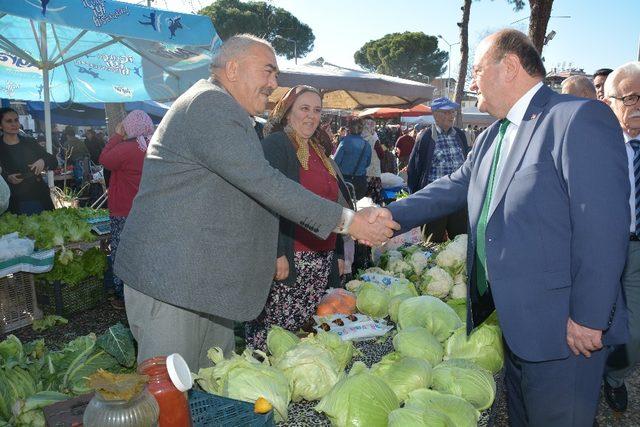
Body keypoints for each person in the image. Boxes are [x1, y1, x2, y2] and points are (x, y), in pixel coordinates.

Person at [381, 29, 629, 426]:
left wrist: (589, 317)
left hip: (564, 332)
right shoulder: (491, 137)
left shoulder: (576, 118)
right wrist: (388, 216)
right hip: (515, 326)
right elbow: (453, 187)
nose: (473, 81)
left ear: (510, 66)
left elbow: (602, 229)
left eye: (478, 70)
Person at [113, 34, 398, 371]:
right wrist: (350, 222)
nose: (273, 83)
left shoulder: (226, 110)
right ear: (233, 69)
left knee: (213, 382)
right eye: (268, 71)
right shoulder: (210, 104)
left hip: (200, 281)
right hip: (171, 281)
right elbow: (264, 183)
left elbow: (244, 196)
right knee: (170, 396)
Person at [245, 85, 352, 349]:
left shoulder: (317, 149)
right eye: (304, 108)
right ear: (286, 112)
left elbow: (331, 204)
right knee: (274, 336)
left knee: (303, 337)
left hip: (319, 261)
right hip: (290, 260)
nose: (311, 116)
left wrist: (337, 253)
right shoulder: (277, 145)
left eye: (317, 110)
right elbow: (267, 201)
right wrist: (276, 251)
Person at [601, 61, 640, 413]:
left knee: (635, 333)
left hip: (637, 250)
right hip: (599, 249)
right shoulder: (594, 144)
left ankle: (613, 375)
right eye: (630, 97)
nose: (639, 105)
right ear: (609, 101)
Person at [99, 110, 153, 310]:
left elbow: (104, 159)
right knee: (145, 251)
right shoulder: (154, 147)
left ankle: (123, 296)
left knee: (122, 253)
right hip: (148, 210)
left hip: (123, 210)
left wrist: (117, 135)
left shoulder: (126, 149)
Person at [407, 97, 469, 243]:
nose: (452, 116)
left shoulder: (460, 135)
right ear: (435, 115)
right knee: (431, 243)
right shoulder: (426, 137)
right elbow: (414, 169)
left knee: (461, 241)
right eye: (446, 112)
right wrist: (416, 198)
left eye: (453, 112)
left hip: (458, 199)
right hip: (434, 200)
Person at [0, 107, 57, 215]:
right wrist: (7, 177)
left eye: (16, 120)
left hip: (38, 199)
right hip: (11, 202)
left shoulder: (30, 142)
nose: (14, 124)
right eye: (9, 121)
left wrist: (43, 161)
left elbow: (53, 161)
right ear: (0, 125)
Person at [334, 119, 372, 200]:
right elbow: (368, 163)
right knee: (358, 207)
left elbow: (336, 162)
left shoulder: (344, 142)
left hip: (345, 180)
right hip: (361, 181)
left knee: (345, 207)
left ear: (349, 128)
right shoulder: (367, 145)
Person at [362, 119, 383, 204]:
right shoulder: (374, 139)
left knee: (364, 197)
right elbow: (381, 155)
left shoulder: (360, 138)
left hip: (363, 172)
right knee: (374, 199)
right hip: (373, 172)